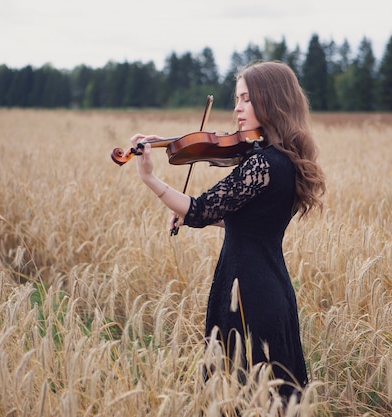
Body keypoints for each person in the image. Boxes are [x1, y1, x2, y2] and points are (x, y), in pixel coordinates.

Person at [129, 60, 326, 401]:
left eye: (247, 99)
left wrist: (150, 178)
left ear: (273, 100)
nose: (237, 108)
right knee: (270, 399)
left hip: (247, 292)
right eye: (237, 99)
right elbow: (252, 221)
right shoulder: (282, 159)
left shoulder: (262, 163)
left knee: (239, 394)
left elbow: (201, 207)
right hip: (270, 286)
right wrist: (200, 215)